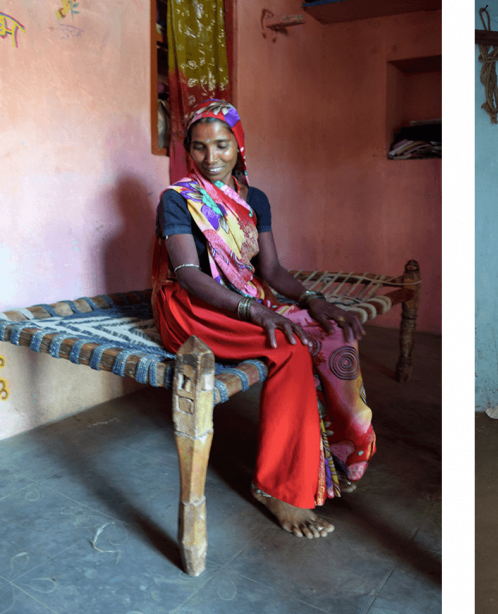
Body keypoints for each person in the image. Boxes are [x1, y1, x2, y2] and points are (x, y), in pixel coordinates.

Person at [151, 99, 376, 539]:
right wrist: (254, 309)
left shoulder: (254, 199)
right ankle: (276, 487)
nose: (210, 158)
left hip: (243, 300)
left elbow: (270, 271)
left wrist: (313, 300)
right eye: (198, 148)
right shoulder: (177, 200)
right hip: (192, 308)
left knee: (333, 337)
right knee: (288, 347)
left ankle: (337, 452)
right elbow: (187, 275)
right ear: (188, 151)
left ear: (240, 145)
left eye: (221, 145)